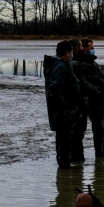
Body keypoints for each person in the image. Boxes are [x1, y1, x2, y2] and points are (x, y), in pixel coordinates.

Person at [44, 40, 81, 169]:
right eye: (71, 52)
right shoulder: (60, 66)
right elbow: (54, 88)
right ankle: (64, 169)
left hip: (65, 110)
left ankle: (64, 168)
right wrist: (63, 108)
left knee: (64, 138)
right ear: (67, 53)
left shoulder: (64, 64)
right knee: (65, 139)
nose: (72, 54)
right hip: (63, 112)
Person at [68, 37, 90, 162]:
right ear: (76, 48)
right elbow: (83, 84)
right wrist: (95, 89)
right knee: (77, 135)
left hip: (81, 105)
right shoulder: (75, 64)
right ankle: (76, 162)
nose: (83, 49)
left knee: (78, 135)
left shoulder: (78, 62)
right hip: (78, 106)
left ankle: (78, 163)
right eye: (81, 46)